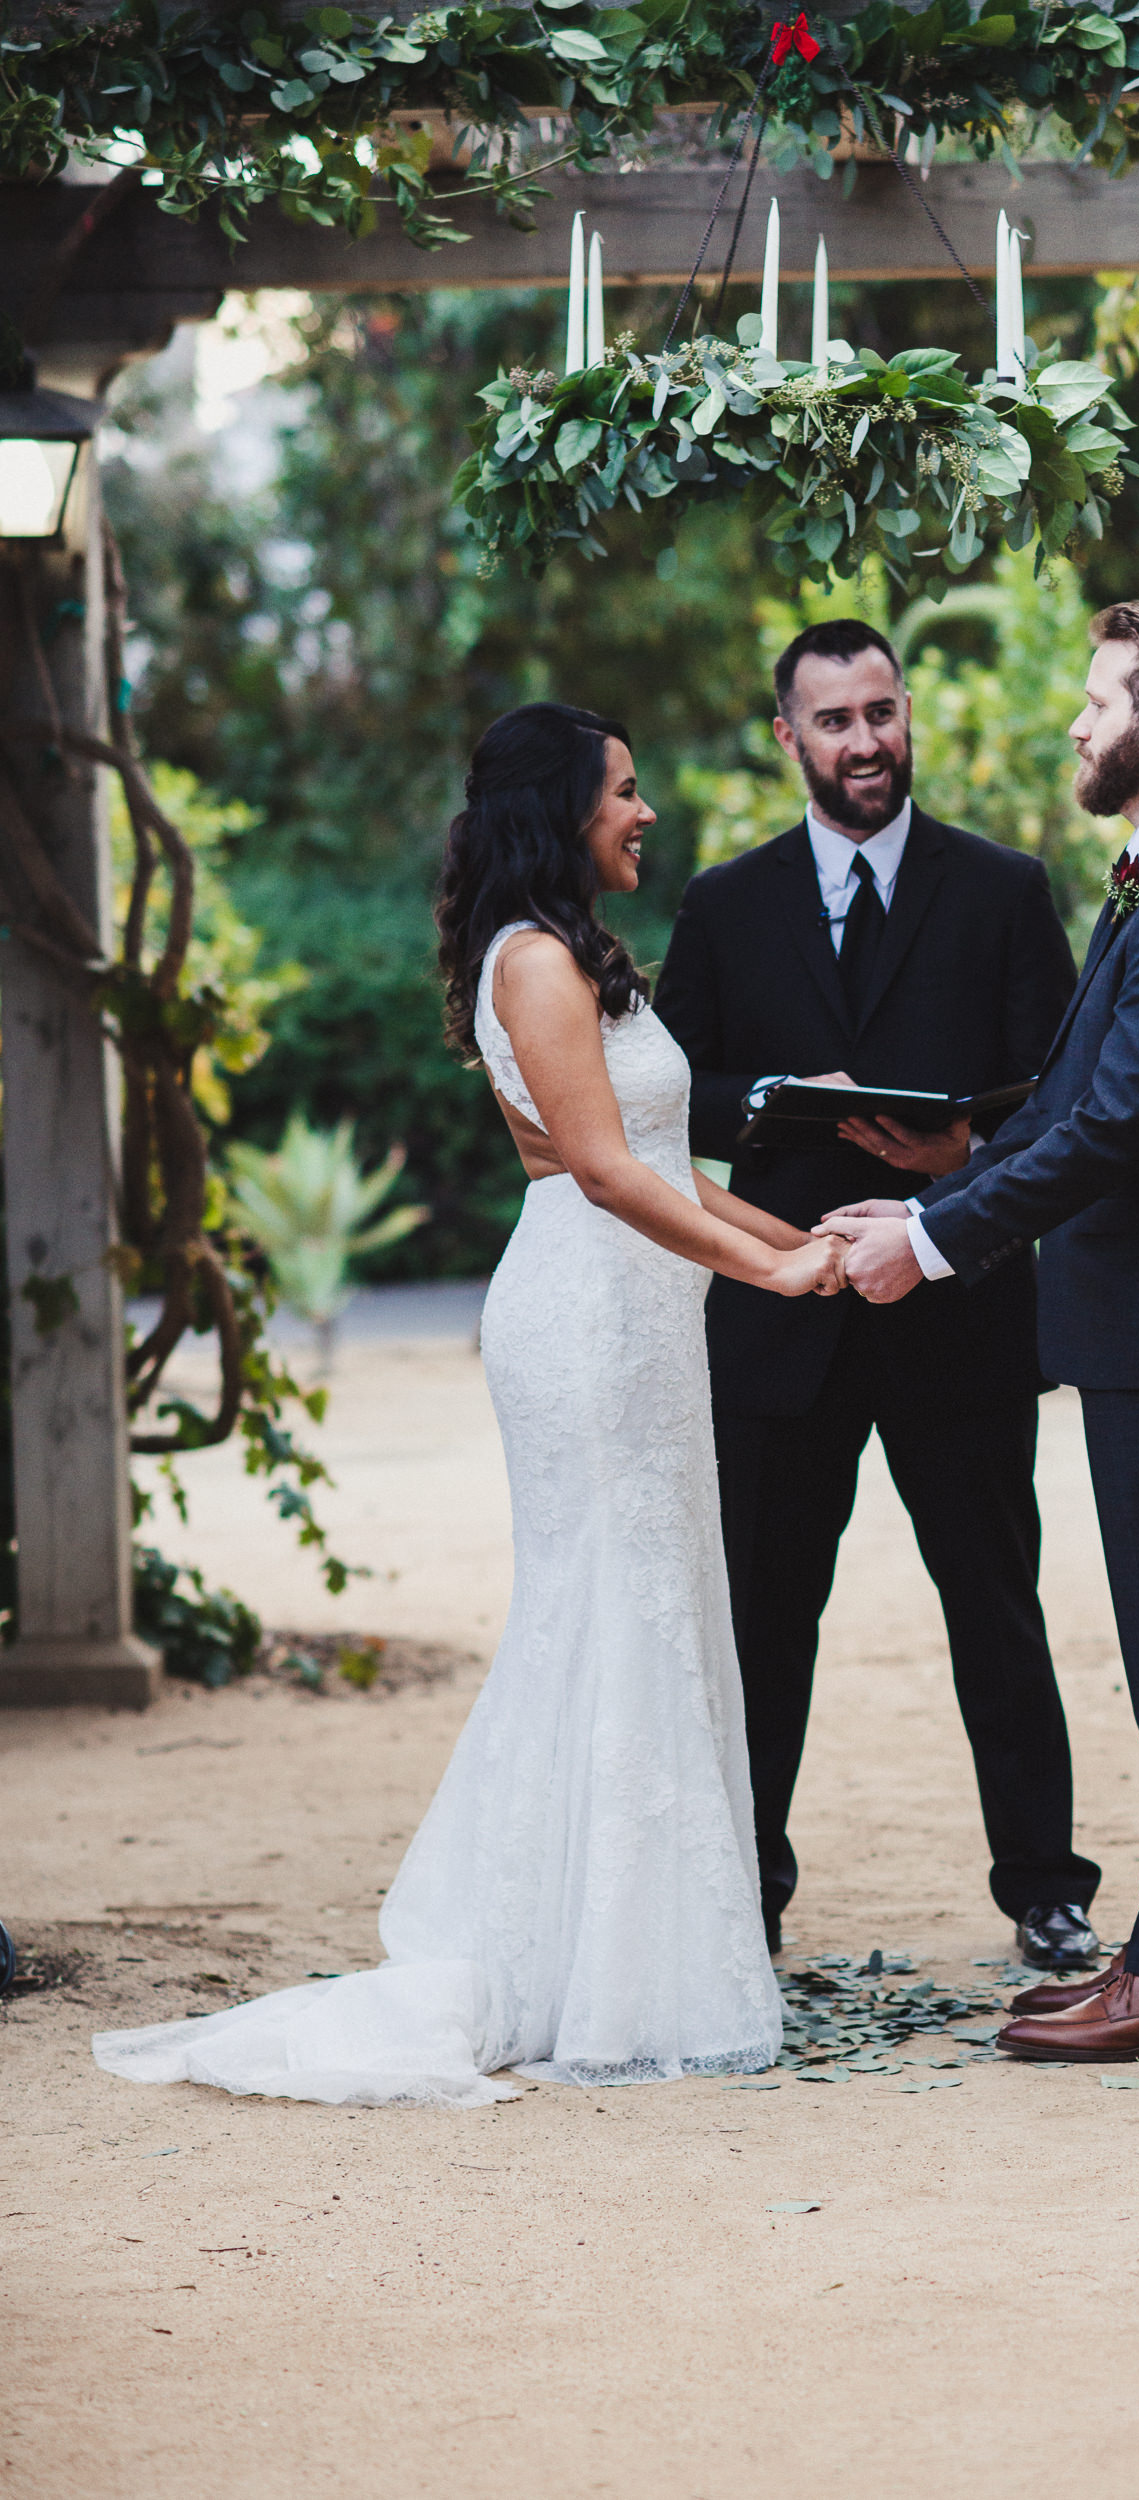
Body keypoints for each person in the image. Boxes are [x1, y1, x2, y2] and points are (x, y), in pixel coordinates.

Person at [93, 702, 844, 2108]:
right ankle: (599, 1973)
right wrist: (773, 1275)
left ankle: (626, 1954)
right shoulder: (537, 964)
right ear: (562, 812)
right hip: (586, 1320)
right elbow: (608, 1177)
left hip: (641, 1315)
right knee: (612, 1610)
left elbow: (663, 1163)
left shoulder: (575, 957)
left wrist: (794, 1245)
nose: (646, 813)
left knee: (657, 1602)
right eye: (625, 792)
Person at [819, 597, 1139, 2064]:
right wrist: (964, 1147)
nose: (1078, 724)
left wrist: (937, 1239)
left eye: (1099, 701)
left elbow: (1128, 1127)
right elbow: (1087, 1092)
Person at [655, 618, 1103, 1970]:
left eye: (883, 712)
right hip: (778, 1318)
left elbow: (1070, 1092)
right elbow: (669, 1090)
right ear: (787, 739)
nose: (866, 742)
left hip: (958, 1312)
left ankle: (1046, 1887)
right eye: (836, 721)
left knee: (995, 1604)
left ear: (910, 716)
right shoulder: (724, 905)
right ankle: (748, 1884)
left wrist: (966, 1153)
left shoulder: (1002, 888)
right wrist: (785, 1104)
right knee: (763, 1616)